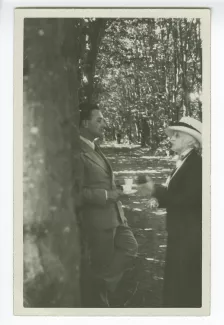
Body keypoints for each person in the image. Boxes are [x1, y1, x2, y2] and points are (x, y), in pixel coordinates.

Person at [138, 116, 202, 308]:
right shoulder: (184, 162)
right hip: (180, 231)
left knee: (185, 284)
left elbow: (189, 199)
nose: (171, 138)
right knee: (177, 280)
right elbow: (176, 193)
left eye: (176, 135)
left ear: (190, 140)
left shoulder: (196, 164)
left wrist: (154, 190)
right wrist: (157, 198)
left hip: (189, 234)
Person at [78, 102, 138, 307]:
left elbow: (102, 179)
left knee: (130, 247)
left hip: (116, 217)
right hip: (98, 223)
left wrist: (119, 188)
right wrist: (107, 195)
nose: (104, 123)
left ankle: (98, 284)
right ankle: (99, 307)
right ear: (85, 122)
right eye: (99, 120)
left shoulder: (95, 147)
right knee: (102, 264)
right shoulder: (76, 151)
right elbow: (75, 192)